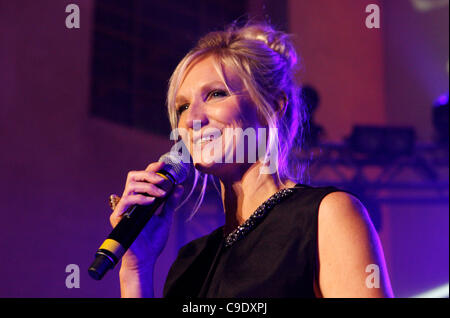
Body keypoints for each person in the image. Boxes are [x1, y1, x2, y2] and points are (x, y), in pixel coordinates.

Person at [109, 22, 393, 298]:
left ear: (272, 106)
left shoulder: (325, 216)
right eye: (182, 107)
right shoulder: (191, 263)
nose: (193, 119)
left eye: (216, 94)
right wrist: (137, 269)